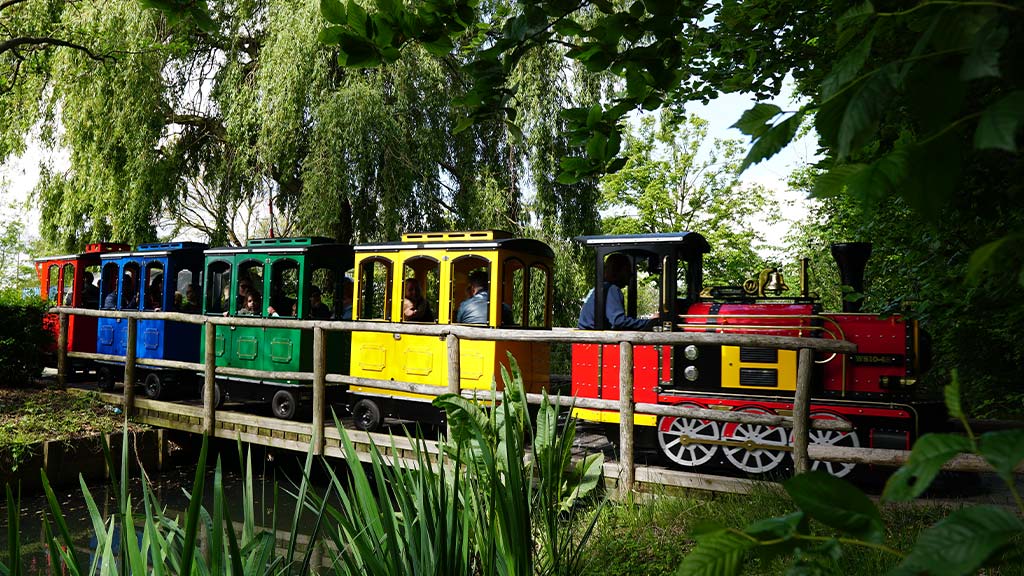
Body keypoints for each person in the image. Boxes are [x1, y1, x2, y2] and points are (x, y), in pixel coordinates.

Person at [577, 253, 653, 330]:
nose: (631, 274)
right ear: (617, 270)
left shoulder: (596, 289)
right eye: (627, 270)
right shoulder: (612, 289)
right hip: (598, 340)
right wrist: (650, 323)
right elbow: (618, 322)